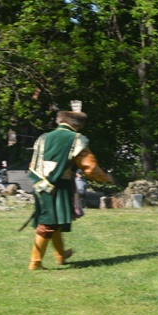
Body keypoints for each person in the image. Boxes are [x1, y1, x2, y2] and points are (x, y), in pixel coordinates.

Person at [26, 107, 114, 269]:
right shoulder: (76, 139)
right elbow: (90, 168)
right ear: (78, 125)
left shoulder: (43, 137)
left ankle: (60, 255)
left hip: (39, 185)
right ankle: (35, 262)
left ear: (60, 121)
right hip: (59, 186)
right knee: (48, 224)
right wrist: (106, 177)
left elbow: (33, 163)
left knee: (55, 221)